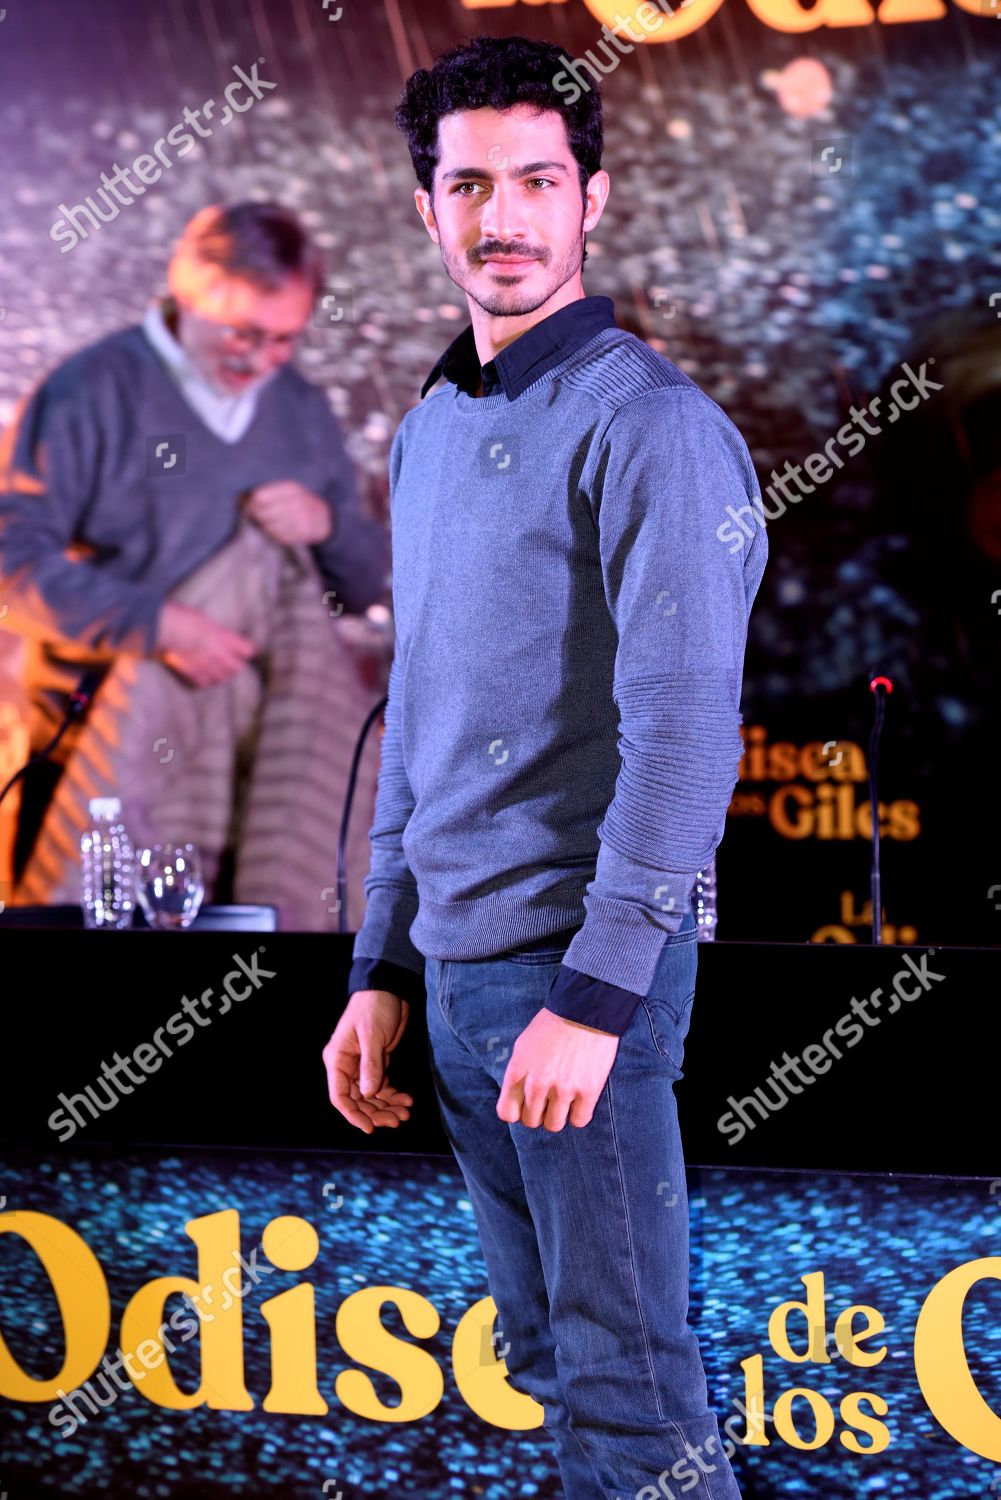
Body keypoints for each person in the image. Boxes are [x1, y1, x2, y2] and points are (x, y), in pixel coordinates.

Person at [322, 35, 767, 1498]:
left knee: (629, 1404)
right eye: (469, 184)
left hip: (578, 991)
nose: (501, 216)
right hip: (456, 986)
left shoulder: (653, 429)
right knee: (554, 1373)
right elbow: (419, 712)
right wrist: (382, 962)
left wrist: (595, 993)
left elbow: (691, 732)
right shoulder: (432, 428)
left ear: (595, 200)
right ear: (425, 206)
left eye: (535, 181)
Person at [0, 201, 387, 918]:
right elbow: (12, 566)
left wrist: (325, 523)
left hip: (267, 762)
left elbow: (365, 582)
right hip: (99, 749)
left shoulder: (299, 409)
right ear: (185, 286)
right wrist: (159, 626)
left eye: (284, 340)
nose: (261, 359)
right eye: (241, 332)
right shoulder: (89, 392)